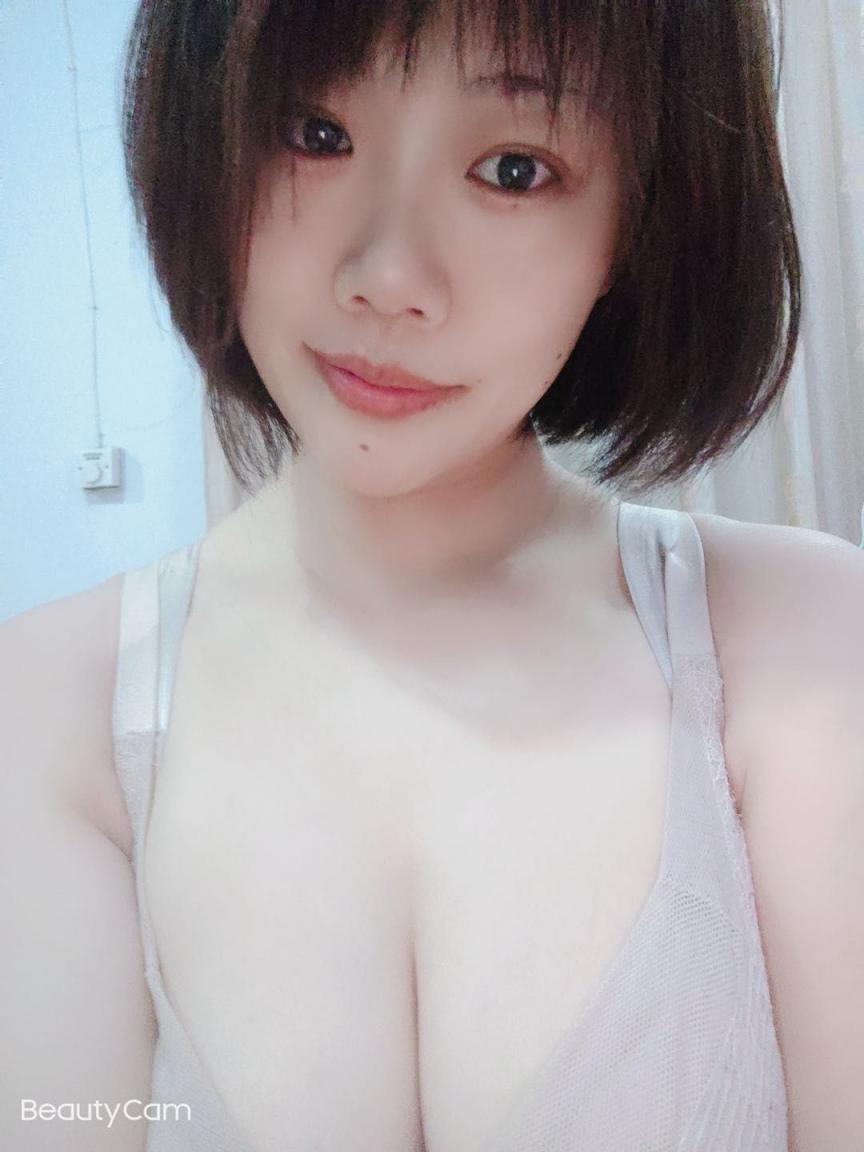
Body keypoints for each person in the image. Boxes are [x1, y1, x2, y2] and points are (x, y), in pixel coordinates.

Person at [2, 1, 862, 1150]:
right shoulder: (49, 710)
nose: (387, 276)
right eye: (313, 133)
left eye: (514, 169)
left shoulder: (800, 646)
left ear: (639, 223)